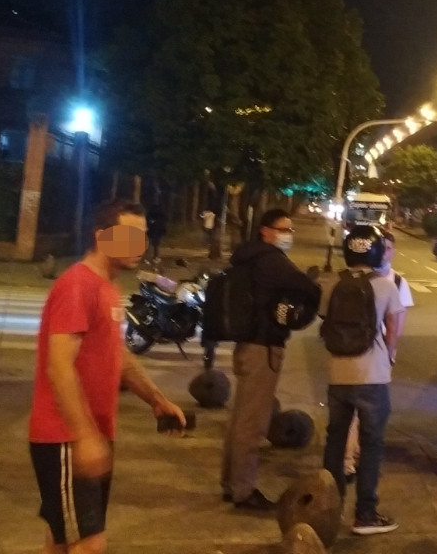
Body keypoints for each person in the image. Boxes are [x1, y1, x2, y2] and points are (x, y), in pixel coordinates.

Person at [29, 199, 187, 553]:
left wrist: (157, 400)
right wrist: (84, 436)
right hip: (65, 437)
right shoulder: (77, 286)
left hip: (87, 435)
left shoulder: (106, 287)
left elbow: (119, 357)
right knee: (89, 544)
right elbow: (59, 365)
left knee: (61, 540)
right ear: (102, 237)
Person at [220, 209, 321, 510]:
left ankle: (231, 482)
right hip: (263, 347)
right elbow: (307, 286)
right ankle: (243, 489)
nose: (287, 234)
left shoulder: (248, 257)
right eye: (283, 229)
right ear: (265, 230)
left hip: (247, 345)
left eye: (290, 229)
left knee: (240, 419)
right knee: (253, 423)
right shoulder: (271, 260)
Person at [322, 224, 404, 536]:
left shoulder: (332, 284)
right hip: (372, 375)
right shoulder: (385, 286)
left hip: (338, 373)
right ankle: (365, 514)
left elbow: (323, 320)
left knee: (335, 440)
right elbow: (393, 330)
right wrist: (389, 357)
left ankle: (328, 507)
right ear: (375, 251)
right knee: (371, 443)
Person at [343, 230, 413, 480]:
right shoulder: (358, 280)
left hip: (379, 356)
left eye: (389, 248)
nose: (385, 253)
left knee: (364, 414)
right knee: (359, 412)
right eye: (381, 247)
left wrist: (389, 355)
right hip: (363, 354)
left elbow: (398, 324)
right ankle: (349, 460)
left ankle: (356, 456)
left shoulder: (397, 283)